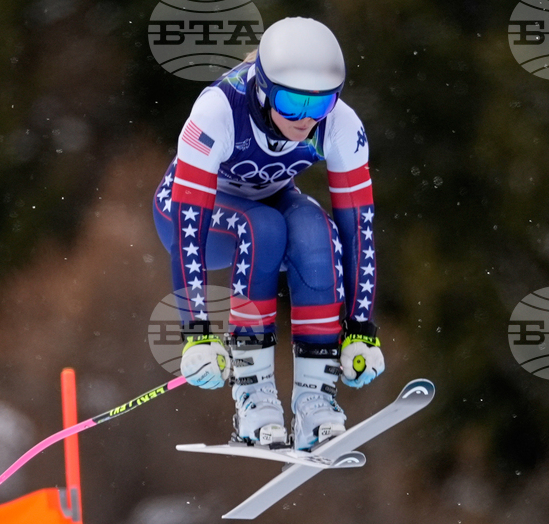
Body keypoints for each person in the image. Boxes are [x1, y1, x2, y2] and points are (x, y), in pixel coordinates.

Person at [152, 16, 384, 451]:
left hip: (268, 201)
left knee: (318, 230)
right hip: (191, 217)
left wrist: (361, 327)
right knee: (262, 227)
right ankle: (253, 397)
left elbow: (359, 229)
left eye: (318, 106)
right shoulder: (219, 109)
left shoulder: (341, 124)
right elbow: (189, 228)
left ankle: (316, 399)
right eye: (291, 104)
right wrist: (196, 333)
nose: (304, 120)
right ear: (262, 88)